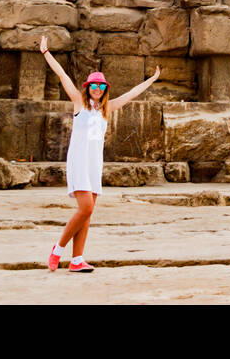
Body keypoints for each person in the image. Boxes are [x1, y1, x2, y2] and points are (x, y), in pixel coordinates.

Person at [40, 34, 161, 272]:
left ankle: (77, 261)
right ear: (88, 88)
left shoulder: (107, 108)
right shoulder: (79, 103)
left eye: (101, 86)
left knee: (87, 214)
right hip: (78, 162)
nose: (97, 89)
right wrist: (46, 52)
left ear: (105, 89)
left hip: (94, 164)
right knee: (85, 208)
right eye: (93, 85)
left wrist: (153, 78)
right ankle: (58, 249)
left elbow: (131, 94)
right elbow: (62, 75)